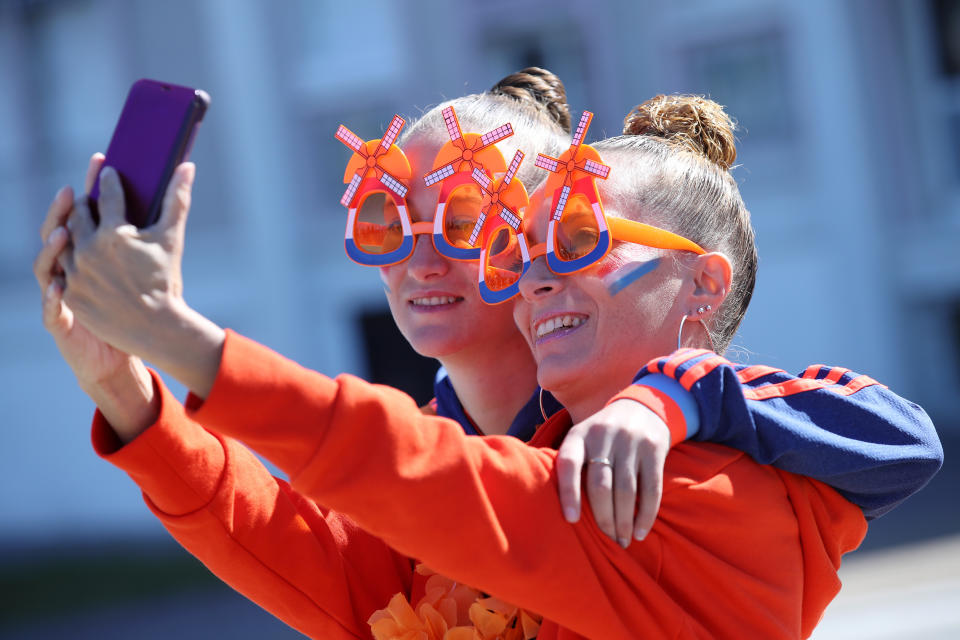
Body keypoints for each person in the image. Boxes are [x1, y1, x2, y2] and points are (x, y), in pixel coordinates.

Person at [35, 84, 941, 638]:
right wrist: (131, 395)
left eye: (471, 223)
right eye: (388, 218)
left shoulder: (680, 472)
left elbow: (896, 431)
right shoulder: (524, 447)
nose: (424, 256)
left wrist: (179, 340)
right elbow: (328, 565)